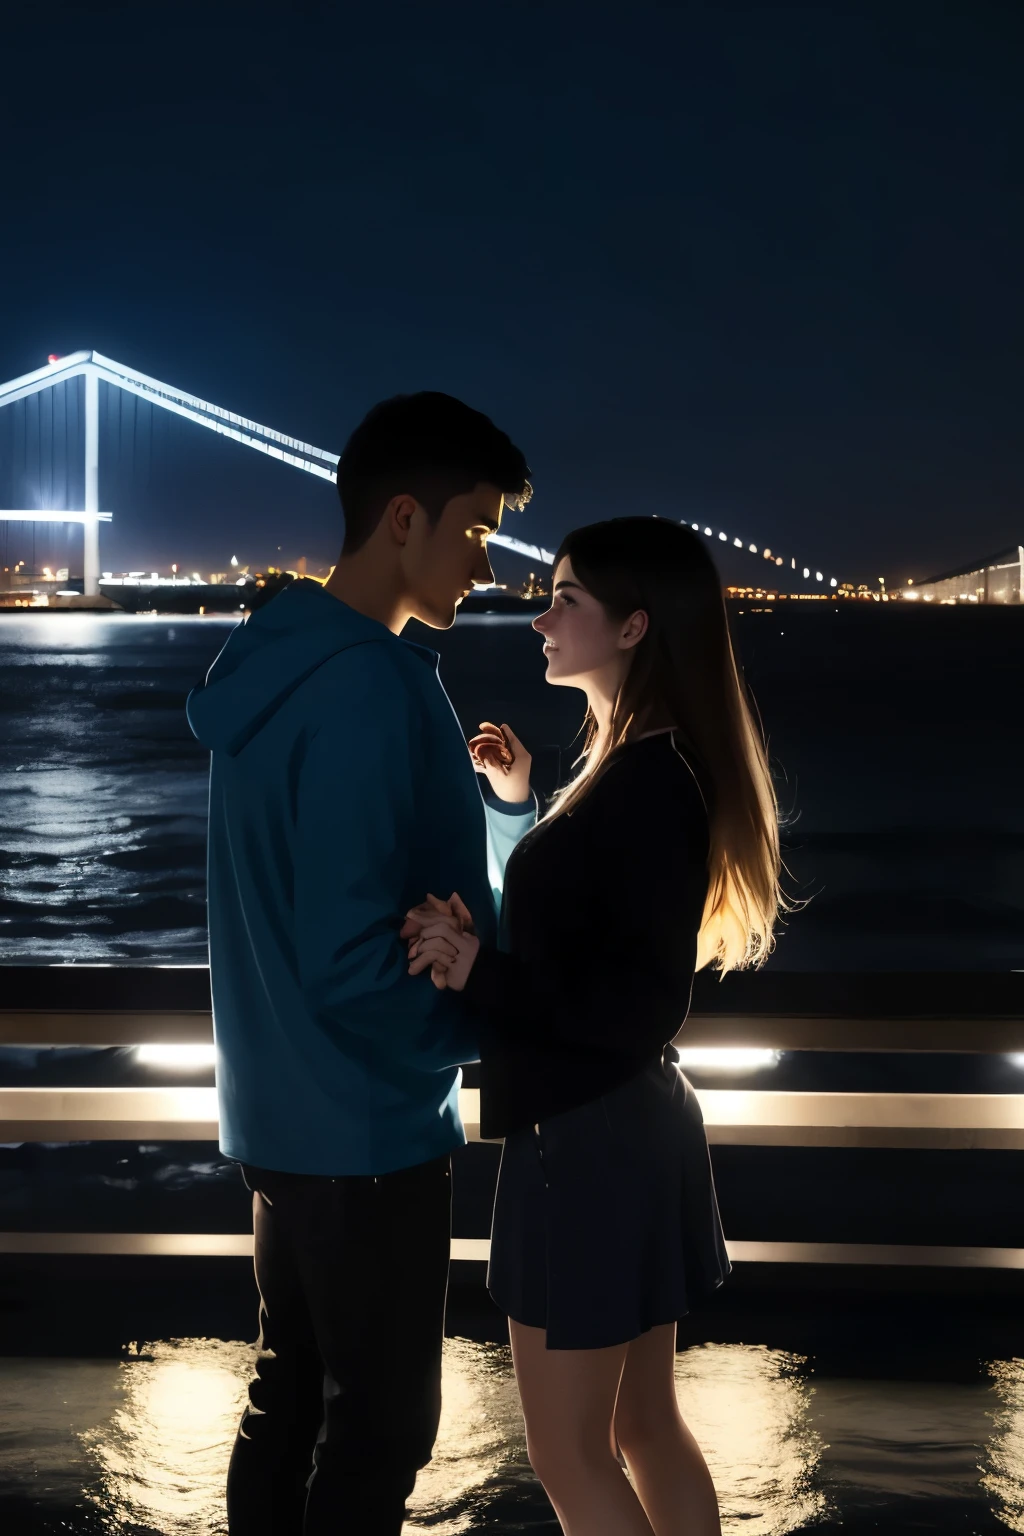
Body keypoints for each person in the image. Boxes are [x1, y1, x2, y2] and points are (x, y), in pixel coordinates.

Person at [185, 391, 535, 1535]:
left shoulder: (276, 664)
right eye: (475, 528)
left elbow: (338, 901)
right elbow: (351, 957)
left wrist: (496, 817)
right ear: (402, 518)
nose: (487, 561)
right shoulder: (371, 688)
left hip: (279, 1115)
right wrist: (486, 1023)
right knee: (382, 1429)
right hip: (370, 1127)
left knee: (286, 1399)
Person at [402, 516, 787, 1536]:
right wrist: (519, 808)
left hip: (585, 1140)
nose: (540, 613)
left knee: (567, 1452)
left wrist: (477, 966)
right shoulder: (643, 766)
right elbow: (590, 941)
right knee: (642, 1427)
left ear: (632, 627)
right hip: (627, 1129)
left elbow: (633, 1004)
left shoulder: (648, 785)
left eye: (565, 597)